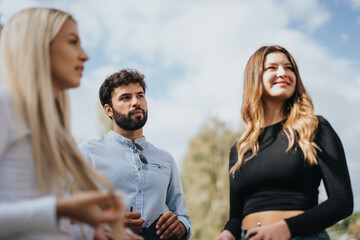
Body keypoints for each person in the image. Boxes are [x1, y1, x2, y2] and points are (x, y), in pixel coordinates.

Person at [0, 8, 129, 240]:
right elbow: (47, 214)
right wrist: (60, 208)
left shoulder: (55, 133)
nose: (85, 55)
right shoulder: (5, 105)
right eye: (72, 42)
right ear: (36, 45)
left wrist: (96, 231)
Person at [217, 45, 353, 240]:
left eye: (289, 68)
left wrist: (287, 228)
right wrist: (228, 233)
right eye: (272, 68)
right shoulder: (239, 149)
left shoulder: (315, 128)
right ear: (254, 78)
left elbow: (342, 202)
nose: (283, 73)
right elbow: (236, 216)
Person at [78, 69, 192, 240]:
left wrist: (181, 226)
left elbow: (183, 216)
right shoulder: (87, 153)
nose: (136, 102)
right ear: (109, 110)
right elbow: (66, 219)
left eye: (140, 96)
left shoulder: (166, 159)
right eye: (126, 98)